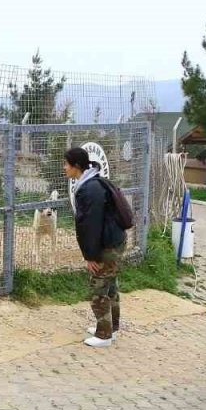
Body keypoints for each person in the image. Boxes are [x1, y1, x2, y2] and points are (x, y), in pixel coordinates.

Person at [64, 147, 126, 348]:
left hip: (107, 246)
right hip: (115, 241)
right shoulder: (96, 182)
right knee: (110, 286)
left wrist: (91, 256)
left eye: (67, 164)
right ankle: (111, 328)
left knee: (98, 288)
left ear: (77, 166)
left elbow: (91, 225)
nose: (64, 168)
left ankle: (104, 335)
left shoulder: (89, 189)